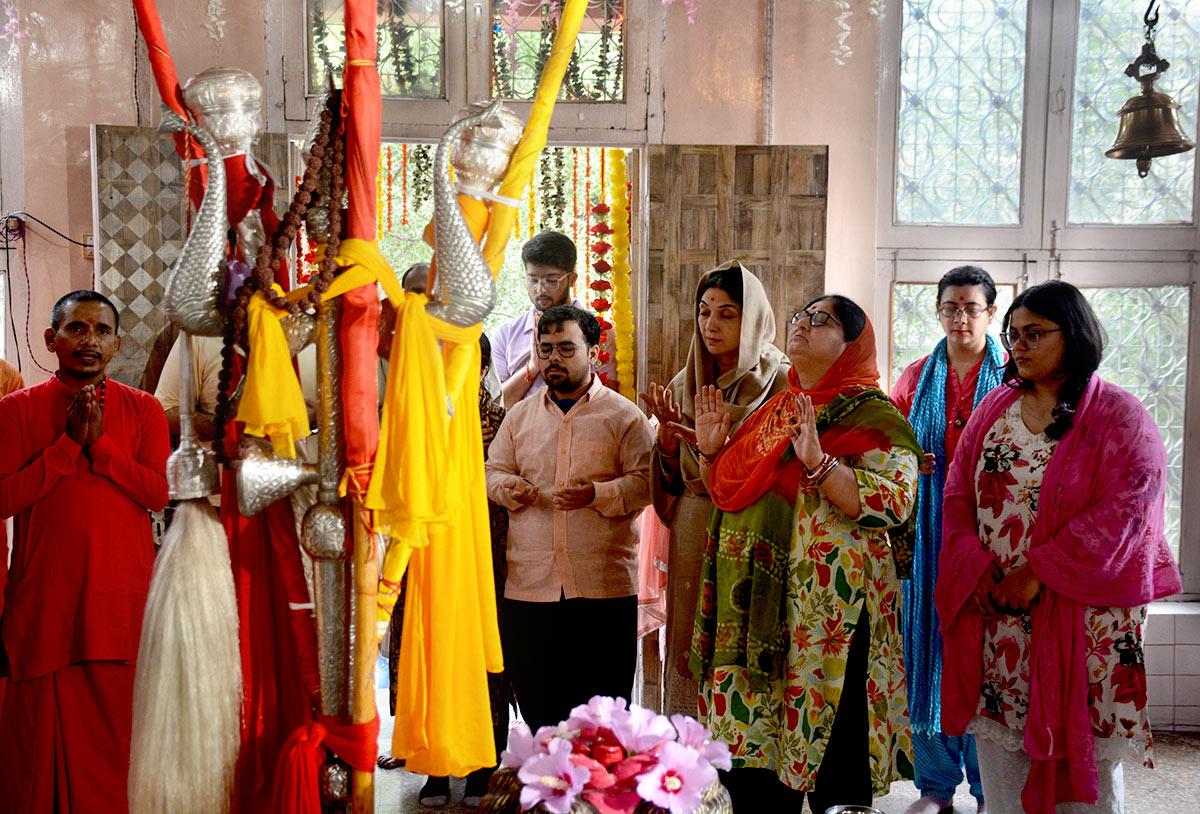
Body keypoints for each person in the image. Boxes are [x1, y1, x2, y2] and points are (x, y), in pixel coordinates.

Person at [936, 281, 1181, 814]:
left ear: (1072, 335)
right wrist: (973, 565)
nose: (1018, 345)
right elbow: (958, 494)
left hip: (1087, 625)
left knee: (1085, 777)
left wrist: (1036, 571)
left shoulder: (1119, 416)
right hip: (1001, 618)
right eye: (1013, 334)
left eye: (1034, 334)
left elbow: (1129, 509)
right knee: (1003, 767)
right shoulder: (996, 408)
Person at [690, 295, 921, 813]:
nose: (803, 324)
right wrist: (711, 451)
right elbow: (729, 493)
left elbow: (894, 501)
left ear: (852, 344)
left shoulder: (877, 416)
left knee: (834, 758)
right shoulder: (776, 410)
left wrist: (820, 463)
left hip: (830, 623)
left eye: (822, 320)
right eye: (801, 316)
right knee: (756, 765)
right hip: (755, 614)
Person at [0, 290, 170, 811]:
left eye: (101, 330)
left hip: (117, 602)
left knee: (118, 746)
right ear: (51, 339)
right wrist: (68, 447)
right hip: (45, 602)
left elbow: (157, 493)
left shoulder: (144, 410)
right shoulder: (15, 410)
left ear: (117, 344)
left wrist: (100, 446)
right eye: (76, 328)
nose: (89, 340)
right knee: (36, 759)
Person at [486, 304, 653, 731]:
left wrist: (597, 494)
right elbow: (491, 472)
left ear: (593, 353)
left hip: (603, 589)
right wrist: (509, 488)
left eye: (565, 348)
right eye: (545, 350)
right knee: (541, 716)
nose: (553, 359)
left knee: (603, 722)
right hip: (531, 590)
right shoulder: (519, 417)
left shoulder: (623, 417)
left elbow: (646, 484)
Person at [639, 261, 789, 717]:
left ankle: (744, 745)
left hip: (753, 528)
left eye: (727, 314)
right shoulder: (685, 384)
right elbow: (670, 484)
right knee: (689, 637)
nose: (711, 325)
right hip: (696, 524)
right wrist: (668, 445)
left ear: (754, 318)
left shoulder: (781, 382)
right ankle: (688, 746)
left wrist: (719, 452)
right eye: (704, 312)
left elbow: (783, 469)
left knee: (743, 633)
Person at [890, 266, 1005, 814]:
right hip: (926, 538)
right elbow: (888, 449)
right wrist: (910, 462)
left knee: (983, 656)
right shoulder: (916, 377)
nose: (960, 318)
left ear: (990, 313)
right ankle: (935, 787)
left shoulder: (1013, 379)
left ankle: (988, 788)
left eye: (971, 308)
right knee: (924, 653)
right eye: (950, 307)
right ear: (938, 312)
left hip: (990, 536)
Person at [402, 334, 514, 808]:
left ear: (481, 366)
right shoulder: (418, 413)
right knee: (432, 653)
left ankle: (483, 764)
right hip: (428, 552)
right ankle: (434, 765)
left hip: (487, 558)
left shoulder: (500, 420)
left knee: (482, 661)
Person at [488, 230, 613, 408]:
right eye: (533, 280)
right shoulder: (506, 335)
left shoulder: (600, 332)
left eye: (551, 280)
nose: (541, 289)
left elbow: (610, 400)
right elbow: (494, 407)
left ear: (572, 279)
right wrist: (532, 368)